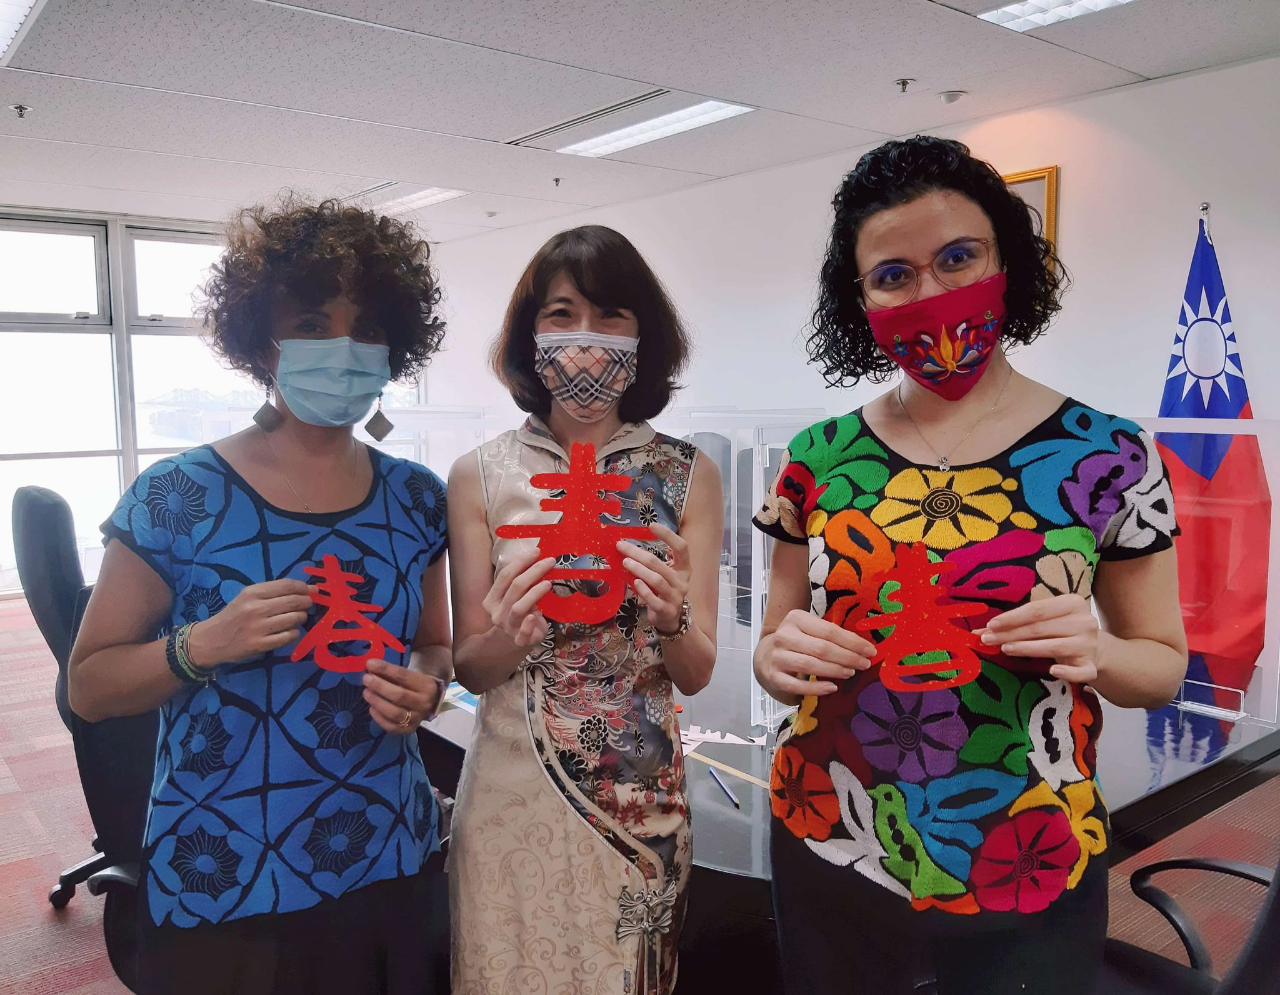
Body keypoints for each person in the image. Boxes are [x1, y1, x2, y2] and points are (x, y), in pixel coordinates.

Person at [752, 137, 1188, 995]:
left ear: (1008, 262)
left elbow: (1163, 665)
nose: (933, 293)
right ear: (860, 296)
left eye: (960, 258)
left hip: (1029, 855)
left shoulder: (1110, 455)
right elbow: (774, 647)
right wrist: (776, 657)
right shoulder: (817, 457)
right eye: (894, 274)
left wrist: (1097, 649)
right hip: (831, 837)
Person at [68, 197, 452, 995]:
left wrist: (429, 683)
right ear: (259, 339)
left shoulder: (417, 498)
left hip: (389, 854)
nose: (341, 349)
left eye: (365, 327)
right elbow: (89, 686)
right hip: (227, 870)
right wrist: (201, 644)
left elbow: (435, 642)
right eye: (311, 322)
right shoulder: (178, 493)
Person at [446, 225, 723, 995]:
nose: (585, 338)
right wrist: (504, 635)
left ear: (645, 336)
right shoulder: (480, 474)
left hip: (637, 799)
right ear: (529, 334)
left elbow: (696, 673)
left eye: (612, 315)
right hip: (509, 790)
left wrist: (671, 620)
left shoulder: (687, 473)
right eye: (561, 314)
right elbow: (470, 663)